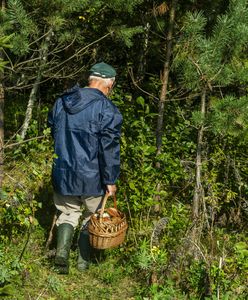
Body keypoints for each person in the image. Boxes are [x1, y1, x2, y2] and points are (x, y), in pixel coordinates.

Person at [48, 62, 122, 274]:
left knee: (67, 213)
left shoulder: (62, 101)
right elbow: (109, 148)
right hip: (93, 176)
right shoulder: (106, 108)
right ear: (109, 84)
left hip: (63, 171)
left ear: (90, 79)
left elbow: (53, 130)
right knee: (93, 216)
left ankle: (61, 257)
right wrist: (110, 179)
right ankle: (83, 263)